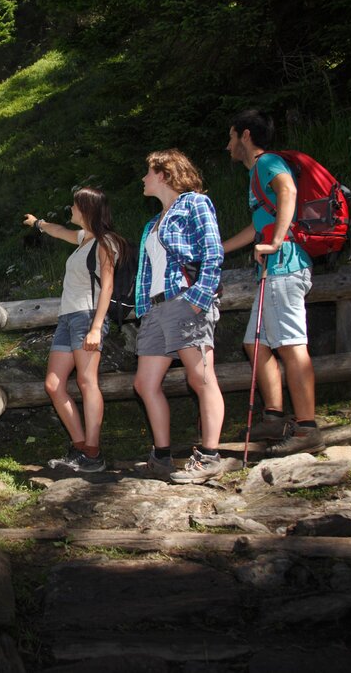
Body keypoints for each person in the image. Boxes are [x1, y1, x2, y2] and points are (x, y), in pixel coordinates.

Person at [222, 109, 323, 454]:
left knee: (292, 346)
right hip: (275, 271)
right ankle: (275, 416)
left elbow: (288, 192)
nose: (228, 145)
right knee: (255, 344)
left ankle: (307, 428)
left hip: (284, 267)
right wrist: (218, 249)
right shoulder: (256, 174)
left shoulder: (267, 164)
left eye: (231, 137)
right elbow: (256, 227)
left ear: (245, 135)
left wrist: (277, 241)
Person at [132, 149, 233, 484]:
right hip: (156, 308)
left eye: (149, 172)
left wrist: (199, 298)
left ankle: (209, 457)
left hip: (184, 300)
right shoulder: (152, 222)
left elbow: (213, 250)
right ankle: (162, 456)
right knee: (144, 383)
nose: (144, 179)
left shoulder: (194, 203)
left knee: (200, 377)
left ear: (165, 174)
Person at [23, 188, 131, 473]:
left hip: (87, 317)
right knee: (54, 385)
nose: (70, 208)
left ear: (86, 209)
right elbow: (59, 231)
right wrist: (38, 223)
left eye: (74, 205)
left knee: (86, 381)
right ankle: (80, 446)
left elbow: (107, 286)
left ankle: (92, 454)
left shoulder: (106, 242)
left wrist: (96, 327)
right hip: (67, 319)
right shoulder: (84, 239)